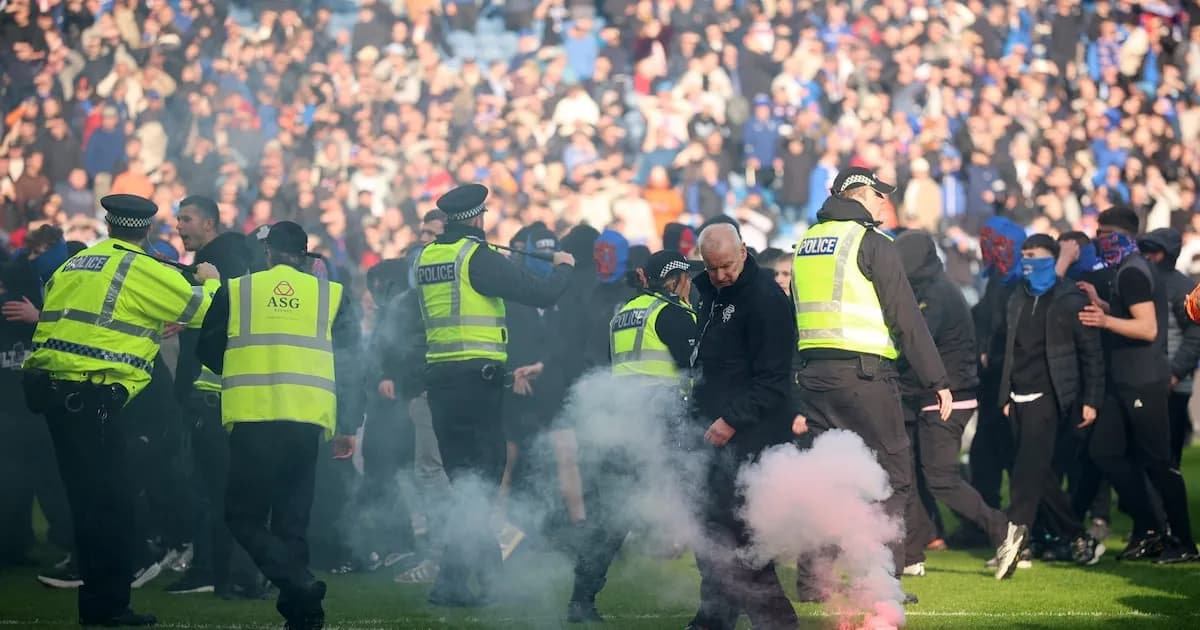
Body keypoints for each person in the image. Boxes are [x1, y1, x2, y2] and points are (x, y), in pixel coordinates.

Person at [21, 193, 221, 627]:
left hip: (54, 398)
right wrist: (210, 279)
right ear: (146, 230)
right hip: (94, 402)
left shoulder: (74, 265)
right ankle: (108, 609)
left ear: (109, 224)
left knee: (89, 506)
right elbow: (204, 310)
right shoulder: (142, 268)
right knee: (114, 509)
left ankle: (99, 606)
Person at [405, 183, 575, 606]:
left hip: (441, 382)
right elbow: (542, 292)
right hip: (473, 384)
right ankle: (467, 581)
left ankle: (462, 581)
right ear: (478, 219)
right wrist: (564, 265)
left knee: (465, 482)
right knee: (481, 477)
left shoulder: (427, 257)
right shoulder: (475, 256)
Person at [791, 167, 951, 604]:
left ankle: (811, 584)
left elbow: (797, 316)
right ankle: (879, 585)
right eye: (882, 195)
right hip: (866, 379)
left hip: (814, 381)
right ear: (863, 195)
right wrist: (937, 380)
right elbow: (907, 319)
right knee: (894, 478)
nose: (886, 204)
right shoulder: (871, 243)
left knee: (826, 483)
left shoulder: (805, 244)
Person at [196, 221, 358, 630]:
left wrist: (246, 364)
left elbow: (208, 350)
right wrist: (349, 423)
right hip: (307, 419)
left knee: (243, 516)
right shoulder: (330, 294)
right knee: (292, 520)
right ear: (304, 256)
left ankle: (298, 583)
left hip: (253, 417)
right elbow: (354, 365)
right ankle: (305, 618)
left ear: (267, 253)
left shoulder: (238, 289)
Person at [569, 249, 698, 623]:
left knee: (611, 517)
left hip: (624, 421)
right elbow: (698, 365)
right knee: (706, 508)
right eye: (687, 278)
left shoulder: (625, 312)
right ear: (677, 280)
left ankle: (581, 600)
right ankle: (721, 603)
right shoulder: (671, 312)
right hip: (662, 423)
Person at [894, 230, 1027, 580]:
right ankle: (913, 550)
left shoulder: (935, 296)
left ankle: (1002, 529)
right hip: (936, 395)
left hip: (947, 396)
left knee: (939, 477)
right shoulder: (930, 287)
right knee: (916, 473)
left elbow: (915, 342)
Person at [688, 223, 798, 630]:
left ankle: (778, 623)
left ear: (745, 251)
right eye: (712, 268)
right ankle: (713, 617)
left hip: (752, 435)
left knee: (742, 536)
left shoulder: (765, 298)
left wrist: (732, 419)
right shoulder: (709, 294)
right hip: (713, 431)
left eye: (727, 266)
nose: (720, 276)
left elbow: (773, 381)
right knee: (711, 531)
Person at [1080, 208, 1198, 563]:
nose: (1097, 240)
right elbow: (1132, 315)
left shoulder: (1132, 271)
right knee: (1105, 452)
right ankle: (1150, 528)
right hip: (1124, 381)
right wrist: (1102, 305)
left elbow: (1147, 328)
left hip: (1143, 380)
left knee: (1157, 462)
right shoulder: (1128, 270)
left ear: (1119, 235)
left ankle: (1182, 541)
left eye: (1102, 233)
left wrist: (1104, 319)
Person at [995, 234, 1107, 567]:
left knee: (1025, 474)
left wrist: (1092, 400)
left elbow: (1092, 356)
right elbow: (1009, 352)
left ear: (1052, 257)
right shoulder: (1016, 297)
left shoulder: (1070, 299)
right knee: (1038, 473)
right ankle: (1078, 537)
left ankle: (1014, 540)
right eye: (1024, 254)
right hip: (1016, 397)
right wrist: (1004, 395)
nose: (1027, 260)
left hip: (1050, 396)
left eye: (1035, 255)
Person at [168, 194, 260, 597]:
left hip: (211, 391)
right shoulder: (227, 257)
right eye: (177, 219)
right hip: (219, 392)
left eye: (186, 219)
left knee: (208, 489)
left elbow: (232, 310)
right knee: (217, 487)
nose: (179, 226)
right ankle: (220, 569)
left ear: (209, 223)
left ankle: (209, 569)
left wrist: (191, 312)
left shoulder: (221, 260)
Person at [1137, 228, 1200, 468]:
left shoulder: (1185, 289)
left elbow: (1196, 335)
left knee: (1168, 454)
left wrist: (1175, 373)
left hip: (1173, 383)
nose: (1145, 255)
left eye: (1150, 250)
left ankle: (1167, 503)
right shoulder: (1143, 281)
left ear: (1163, 254)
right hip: (1147, 378)